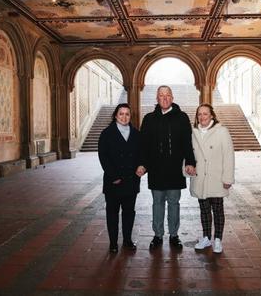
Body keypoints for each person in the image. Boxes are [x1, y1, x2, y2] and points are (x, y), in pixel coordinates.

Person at [136, 85, 196, 250]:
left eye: (167, 95)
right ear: (156, 98)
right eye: (161, 95)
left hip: (175, 170)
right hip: (156, 170)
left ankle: (174, 235)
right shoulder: (149, 119)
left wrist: (190, 162)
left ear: (172, 97)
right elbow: (144, 146)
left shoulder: (182, 117)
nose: (164, 98)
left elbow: (187, 143)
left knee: (174, 202)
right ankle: (157, 235)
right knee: (157, 202)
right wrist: (142, 164)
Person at [190, 104, 234, 254]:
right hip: (200, 178)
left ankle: (218, 240)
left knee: (218, 210)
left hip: (216, 178)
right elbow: (188, 154)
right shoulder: (193, 133)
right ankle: (206, 237)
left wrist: (228, 178)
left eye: (205, 114)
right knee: (204, 211)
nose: (202, 117)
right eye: (199, 114)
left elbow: (229, 156)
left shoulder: (222, 131)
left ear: (212, 116)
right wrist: (187, 167)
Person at [98, 103, 141, 253]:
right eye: (121, 114)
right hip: (113, 181)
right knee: (112, 213)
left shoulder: (136, 133)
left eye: (127, 114)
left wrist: (143, 166)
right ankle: (113, 242)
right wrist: (114, 176)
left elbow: (142, 155)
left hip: (131, 180)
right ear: (116, 115)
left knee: (129, 212)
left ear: (130, 116)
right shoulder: (106, 133)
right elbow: (103, 157)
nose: (124, 117)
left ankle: (128, 240)